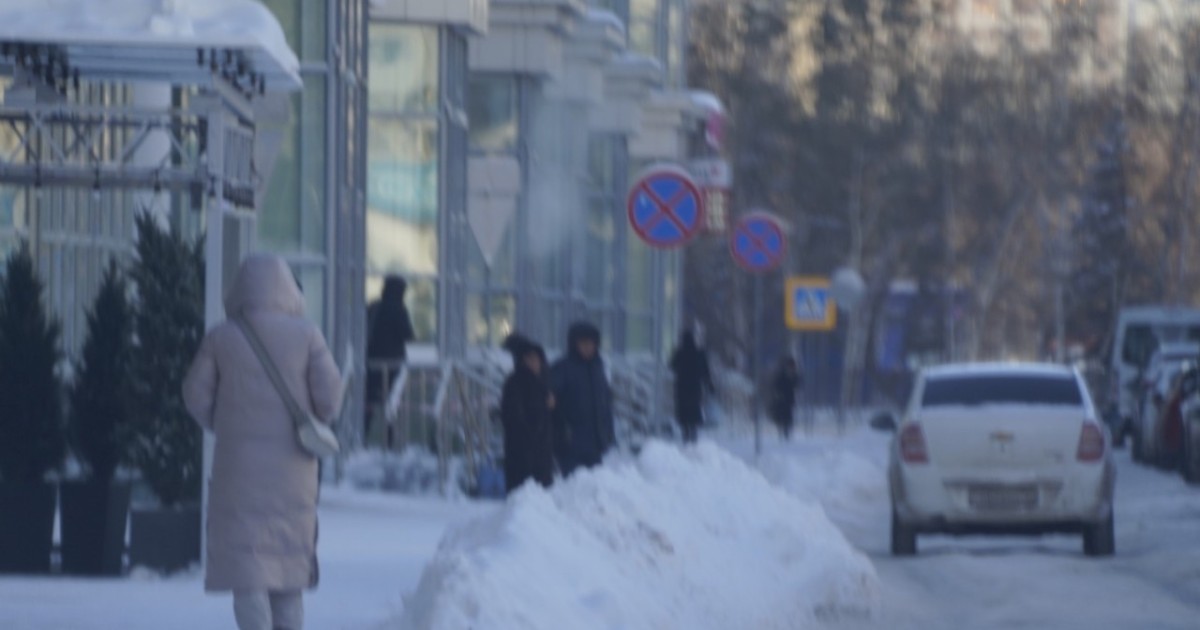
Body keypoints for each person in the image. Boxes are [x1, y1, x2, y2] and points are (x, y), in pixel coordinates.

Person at [182, 254, 343, 630]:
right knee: (287, 570)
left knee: (249, 567)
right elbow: (330, 399)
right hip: (294, 469)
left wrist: (225, 425)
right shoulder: (307, 336)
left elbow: (194, 395)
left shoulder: (222, 337)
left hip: (238, 471)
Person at [551, 321, 616, 476]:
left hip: (595, 442)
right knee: (575, 486)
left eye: (592, 343)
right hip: (570, 442)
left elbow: (605, 402)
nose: (588, 347)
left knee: (595, 487)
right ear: (574, 344)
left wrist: (608, 433)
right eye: (583, 343)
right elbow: (551, 399)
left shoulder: (598, 367)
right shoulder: (562, 368)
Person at [500, 334, 556, 494]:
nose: (534, 362)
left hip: (542, 455)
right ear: (522, 361)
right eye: (529, 359)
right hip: (522, 457)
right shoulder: (515, 383)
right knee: (523, 501)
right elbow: (513, 418)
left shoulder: (543, 383)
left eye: (537, 358)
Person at [365, 275, 415, 444]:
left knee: (369, 402)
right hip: (393, 363)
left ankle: (362, 436)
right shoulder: (399, 310)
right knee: (391, 402)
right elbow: (408, 335)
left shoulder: (374, 307)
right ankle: (390, 441)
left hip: (371, 361)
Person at [670, 330, 714, 444]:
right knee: (694, 409)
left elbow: (671, 366)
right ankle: (693, 431)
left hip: (682, 387)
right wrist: (709, 385)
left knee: (683, 410)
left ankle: (685, 433)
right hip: (695, 388)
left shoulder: (679, 353)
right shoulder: (699, 354)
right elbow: (706, 371)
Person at [769, 356, 803, 440]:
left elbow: (797, 385)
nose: (791, 368)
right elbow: (776, 385)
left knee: (789, 416)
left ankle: (786, 432)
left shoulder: (794, 375)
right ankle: (782, 431)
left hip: (790, 399)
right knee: (782, 416)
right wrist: (778, 394)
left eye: (793, 366)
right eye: (790, 366)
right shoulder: (781, 375)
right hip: (781, 398)